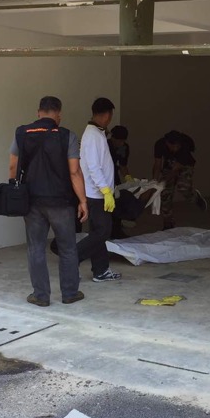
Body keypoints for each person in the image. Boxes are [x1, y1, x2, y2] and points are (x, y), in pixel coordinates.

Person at [9, 96, 88, 307]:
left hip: (32, 201)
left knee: (35, 248)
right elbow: (74, 171)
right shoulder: (67, 136)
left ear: (38, 112)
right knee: (68, 248)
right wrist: (83, 200)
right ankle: (70, 293)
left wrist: (14, 189)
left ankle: (40, 295)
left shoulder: (22, 133)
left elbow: (13, 166)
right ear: (58, 114)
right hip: (61, 202)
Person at [76, 97, 122, 282]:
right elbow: (94, 167)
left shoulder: (97, 133)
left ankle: (100, 270)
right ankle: (72, 258)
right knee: (102, 232)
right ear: (107, 115)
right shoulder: (93, 135)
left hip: (97, 193)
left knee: (98, 232)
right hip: (96, 194)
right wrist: (105, 190)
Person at [152, 130, 207, 230]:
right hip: (169, 165)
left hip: (185, 164)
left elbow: (175, 171)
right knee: (165, 193)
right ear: (167, 143)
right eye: (174, 146)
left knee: (183, 187)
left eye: (178, 146)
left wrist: (163, 182)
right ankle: (168, 223)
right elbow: (157, 165)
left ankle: (195, 198)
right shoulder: (160, 145)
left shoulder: (185, 145)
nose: (176, 149)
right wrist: (154, 182)